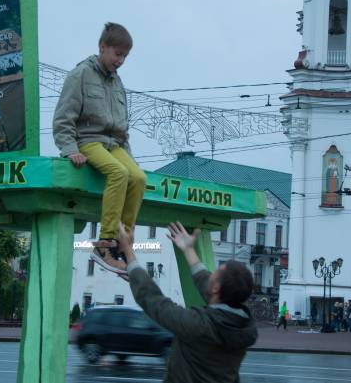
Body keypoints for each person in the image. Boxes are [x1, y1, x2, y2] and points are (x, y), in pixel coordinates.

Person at [53, 22, 146, 277]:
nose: (121, 61)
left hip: (114, 144)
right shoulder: (80, 74)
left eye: (125, 56)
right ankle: (104, 244)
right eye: (118, 54)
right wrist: (69, 148)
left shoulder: (117, 83)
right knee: (118, 173)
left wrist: (132, 160)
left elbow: (123, 128)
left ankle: (123, 245)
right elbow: (63, 117)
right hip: (89, 140)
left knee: (138, 177)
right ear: (102, 47)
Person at [118, 221, 257, 382]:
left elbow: (156, 303)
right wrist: (188, 250)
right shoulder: (244, 326)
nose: (210, 274)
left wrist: (128, 252)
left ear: (217, 288)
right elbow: (208, 286)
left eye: (216, 272)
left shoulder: (199, 325)